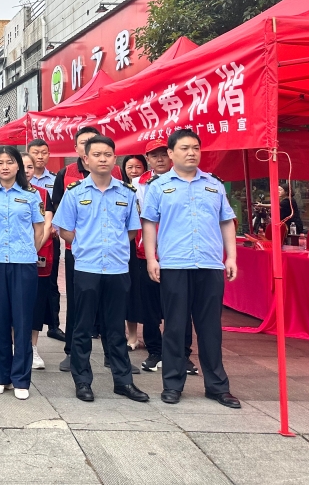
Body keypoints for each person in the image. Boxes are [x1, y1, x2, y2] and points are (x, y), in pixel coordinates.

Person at [141, 129, 241, 408]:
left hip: (209, 264)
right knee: (174, 327)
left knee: (211, 328)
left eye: (195, 148)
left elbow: (226, 221)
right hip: (174, 264)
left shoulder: (214, 185)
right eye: (184, 148)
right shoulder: (158, 186)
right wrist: (151, 258)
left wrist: (231, 257)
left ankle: (217, 386)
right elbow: (149, 223)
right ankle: (173, 384)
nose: (191, 153)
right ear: (171, 153)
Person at [53, 134, 148, 404]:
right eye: (96, 155)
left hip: (117, 269)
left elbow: (132, 230)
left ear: (115, 159)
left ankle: (123, 382)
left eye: (107, 154)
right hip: (87, 267)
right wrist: (84, 244)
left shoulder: (127, 193)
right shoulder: (75, 193)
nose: (102, 159)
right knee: (83, 327)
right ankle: (82, 381)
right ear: (86, 159)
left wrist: (114, 246)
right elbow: (63, 229)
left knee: (115, 328)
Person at [52, 126, 122, 373]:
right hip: (78, 251)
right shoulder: (66, 174)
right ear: (79, 150)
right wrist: (80, 240)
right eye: (85, 143)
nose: (93, 149)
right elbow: (59, 208)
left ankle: (112, 355)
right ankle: (72, 352)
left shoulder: (116, 173)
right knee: (77, 302)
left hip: (111, 253)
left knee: (111, 306)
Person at [0, 147, 46, 400]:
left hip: (23, 263)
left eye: (10, 162)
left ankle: (21, 379)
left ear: (18, 166)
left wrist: (27, 251)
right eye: (0, 162)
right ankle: (1, 377)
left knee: (22, 321)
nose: (5, 167)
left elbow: (39, 229)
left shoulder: (31, 196)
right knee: (0, 322)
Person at [134, 140, 196, 375]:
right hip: (146, 254)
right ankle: (155, 351)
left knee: (182, 306)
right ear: (147, 159)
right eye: (154, 155)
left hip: (178, 254)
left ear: (170, 155)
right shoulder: (137, 185)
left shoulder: (186, 180)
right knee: (150, 307)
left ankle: (182, 354)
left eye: (163, 154)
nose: (159, 159)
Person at [28, 139, 64, 343]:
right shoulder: (19, 179)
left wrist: (55, 228)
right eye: (35, 152)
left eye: (44, 152)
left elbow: (59, 205)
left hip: (50, 239)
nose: (40, 156)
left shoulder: (55, 179)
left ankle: (54, 325)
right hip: (28, 242)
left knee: (50, 283)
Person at [23, 153, 54, 371]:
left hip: (38, 254)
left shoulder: (42, 194)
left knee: (36, 301)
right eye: (22, 166)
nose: (26, 171)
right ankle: (16, 345)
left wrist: (32, 250)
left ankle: (32, 347)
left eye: (30, 167)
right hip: (12, 257)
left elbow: (46, 225)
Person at [121, 154, 148, 352]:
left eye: (138, 167)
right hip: (127, 245)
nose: (133, 171)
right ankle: (131, 335)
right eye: (129, 167)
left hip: (147, 244)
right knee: (129, 291)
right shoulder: (121, 190)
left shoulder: (150, 187)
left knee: (145, 293)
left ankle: (151, 335)